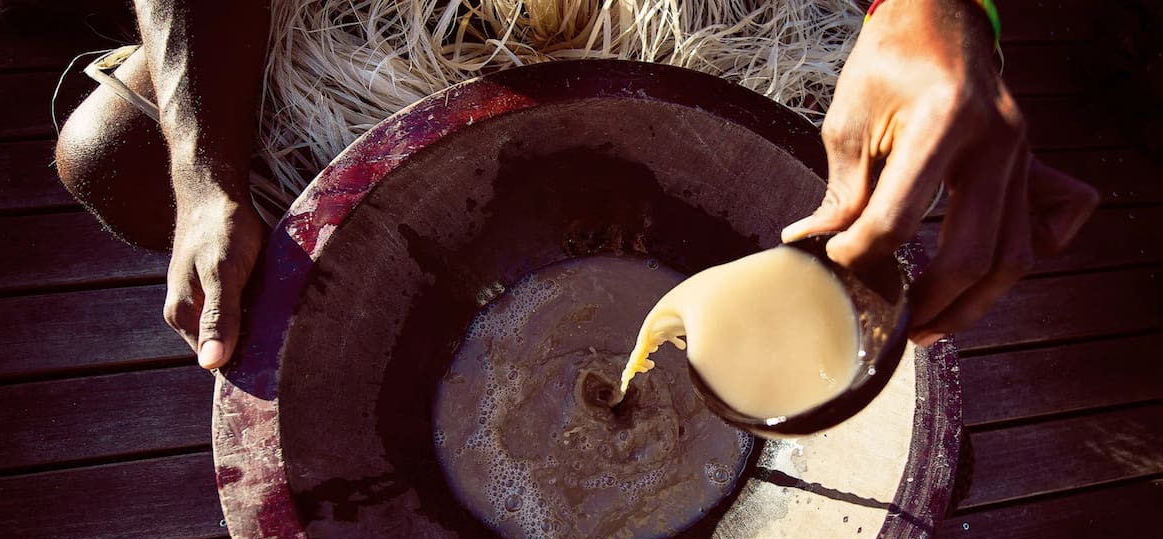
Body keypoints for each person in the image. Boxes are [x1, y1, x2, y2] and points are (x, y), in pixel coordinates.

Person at [55, 0, 1098, 370]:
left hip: (699, 13)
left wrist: (936, 15)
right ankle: (417, 320)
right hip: (406, 15)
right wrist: (205, 182)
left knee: (847, 206)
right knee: (118, 151)